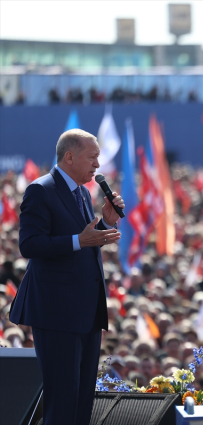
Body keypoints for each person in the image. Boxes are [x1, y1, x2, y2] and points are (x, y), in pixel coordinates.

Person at [9, 129, 125, 425]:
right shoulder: (41, 190)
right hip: (57, 313)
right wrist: (79, 241)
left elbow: (84, 238)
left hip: (86, 312)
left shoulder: (83, 193)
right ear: (70, 157)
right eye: (92, 157)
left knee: (81, 403)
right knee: (61, 403)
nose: (98, 165)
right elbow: (30, 244)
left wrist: (105, 223)